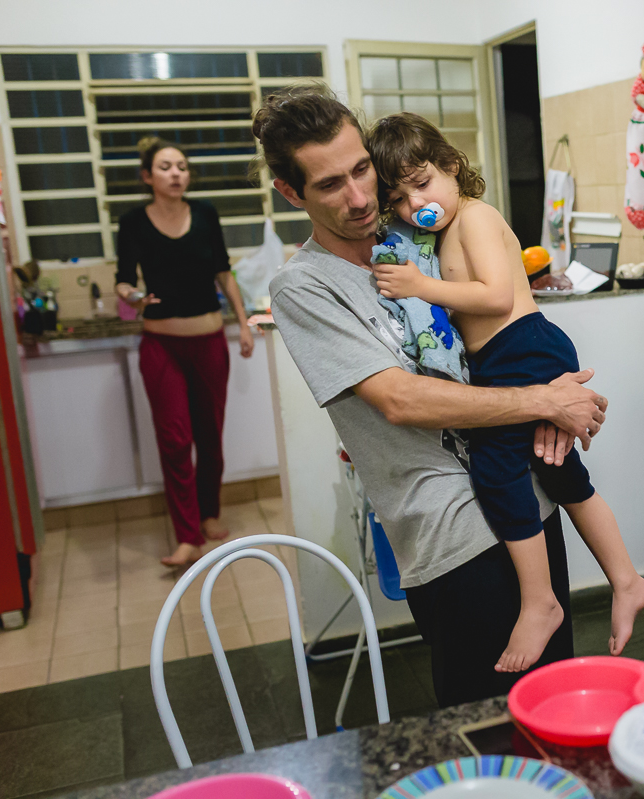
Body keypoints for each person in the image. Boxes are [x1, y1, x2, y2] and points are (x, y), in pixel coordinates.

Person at [255, 84, 608, 706]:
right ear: (291, 192)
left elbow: (503, 321)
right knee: (485, 727)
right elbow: (402, 400)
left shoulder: (415, 236)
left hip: (527, 502)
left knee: (554, 712)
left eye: (362, 170)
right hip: (452, 535)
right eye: (331, 184)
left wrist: (555, 387)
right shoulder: (304, 287)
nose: (359, 198)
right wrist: (542, 402)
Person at [367, 114, 644, 673]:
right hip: (507, 356)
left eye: (421, 183)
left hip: (521, 348)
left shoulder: (475, 216)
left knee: (496, 472)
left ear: (452, 166)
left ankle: (540, 601)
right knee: (560, 475)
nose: (413, 204)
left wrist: (419, 286)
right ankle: (626, 579)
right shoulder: (438, 234)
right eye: (397, 199)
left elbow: (496, 297)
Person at [115, 137, 254, 568]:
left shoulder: (206, 213)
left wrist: (243, 323)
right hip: (161, 345)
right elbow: (123, 280)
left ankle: (209, 513)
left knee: (209, 436)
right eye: (165, 167)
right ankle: (187, 536)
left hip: (209, 342)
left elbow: (223, 272)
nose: (176, 173)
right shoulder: (133, 222)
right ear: (147, 176)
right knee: (175, 440)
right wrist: (132, 296)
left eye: (181, 166)